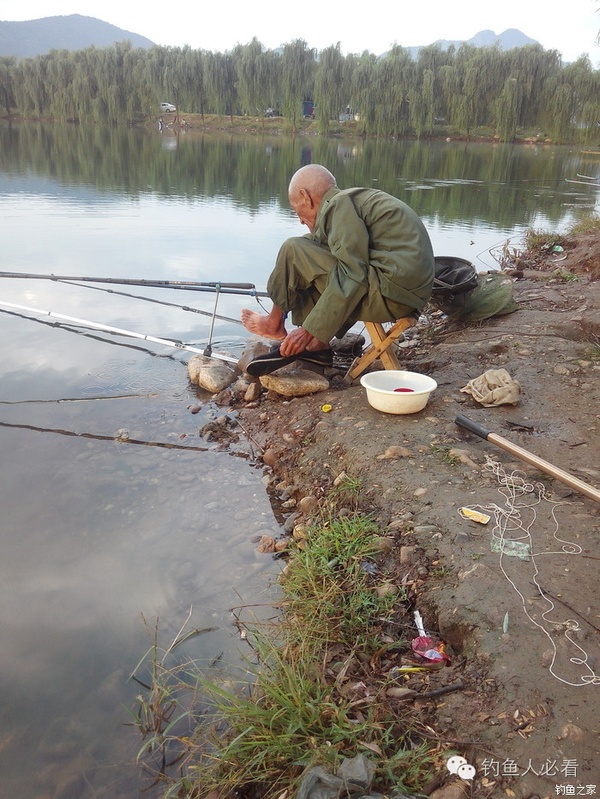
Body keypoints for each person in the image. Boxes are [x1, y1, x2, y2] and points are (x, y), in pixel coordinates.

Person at [242, 164, 435, 374]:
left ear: (305, 196)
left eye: (296, 208)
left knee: (294, 249)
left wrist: (307, 330)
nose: (299, 218)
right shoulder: (350, 201)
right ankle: (317, 348)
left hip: (392, 296)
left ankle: (276, 324)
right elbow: (340, 257)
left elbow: (352, 274)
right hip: (403, 292)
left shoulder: (339, 205)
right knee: (310, 248)